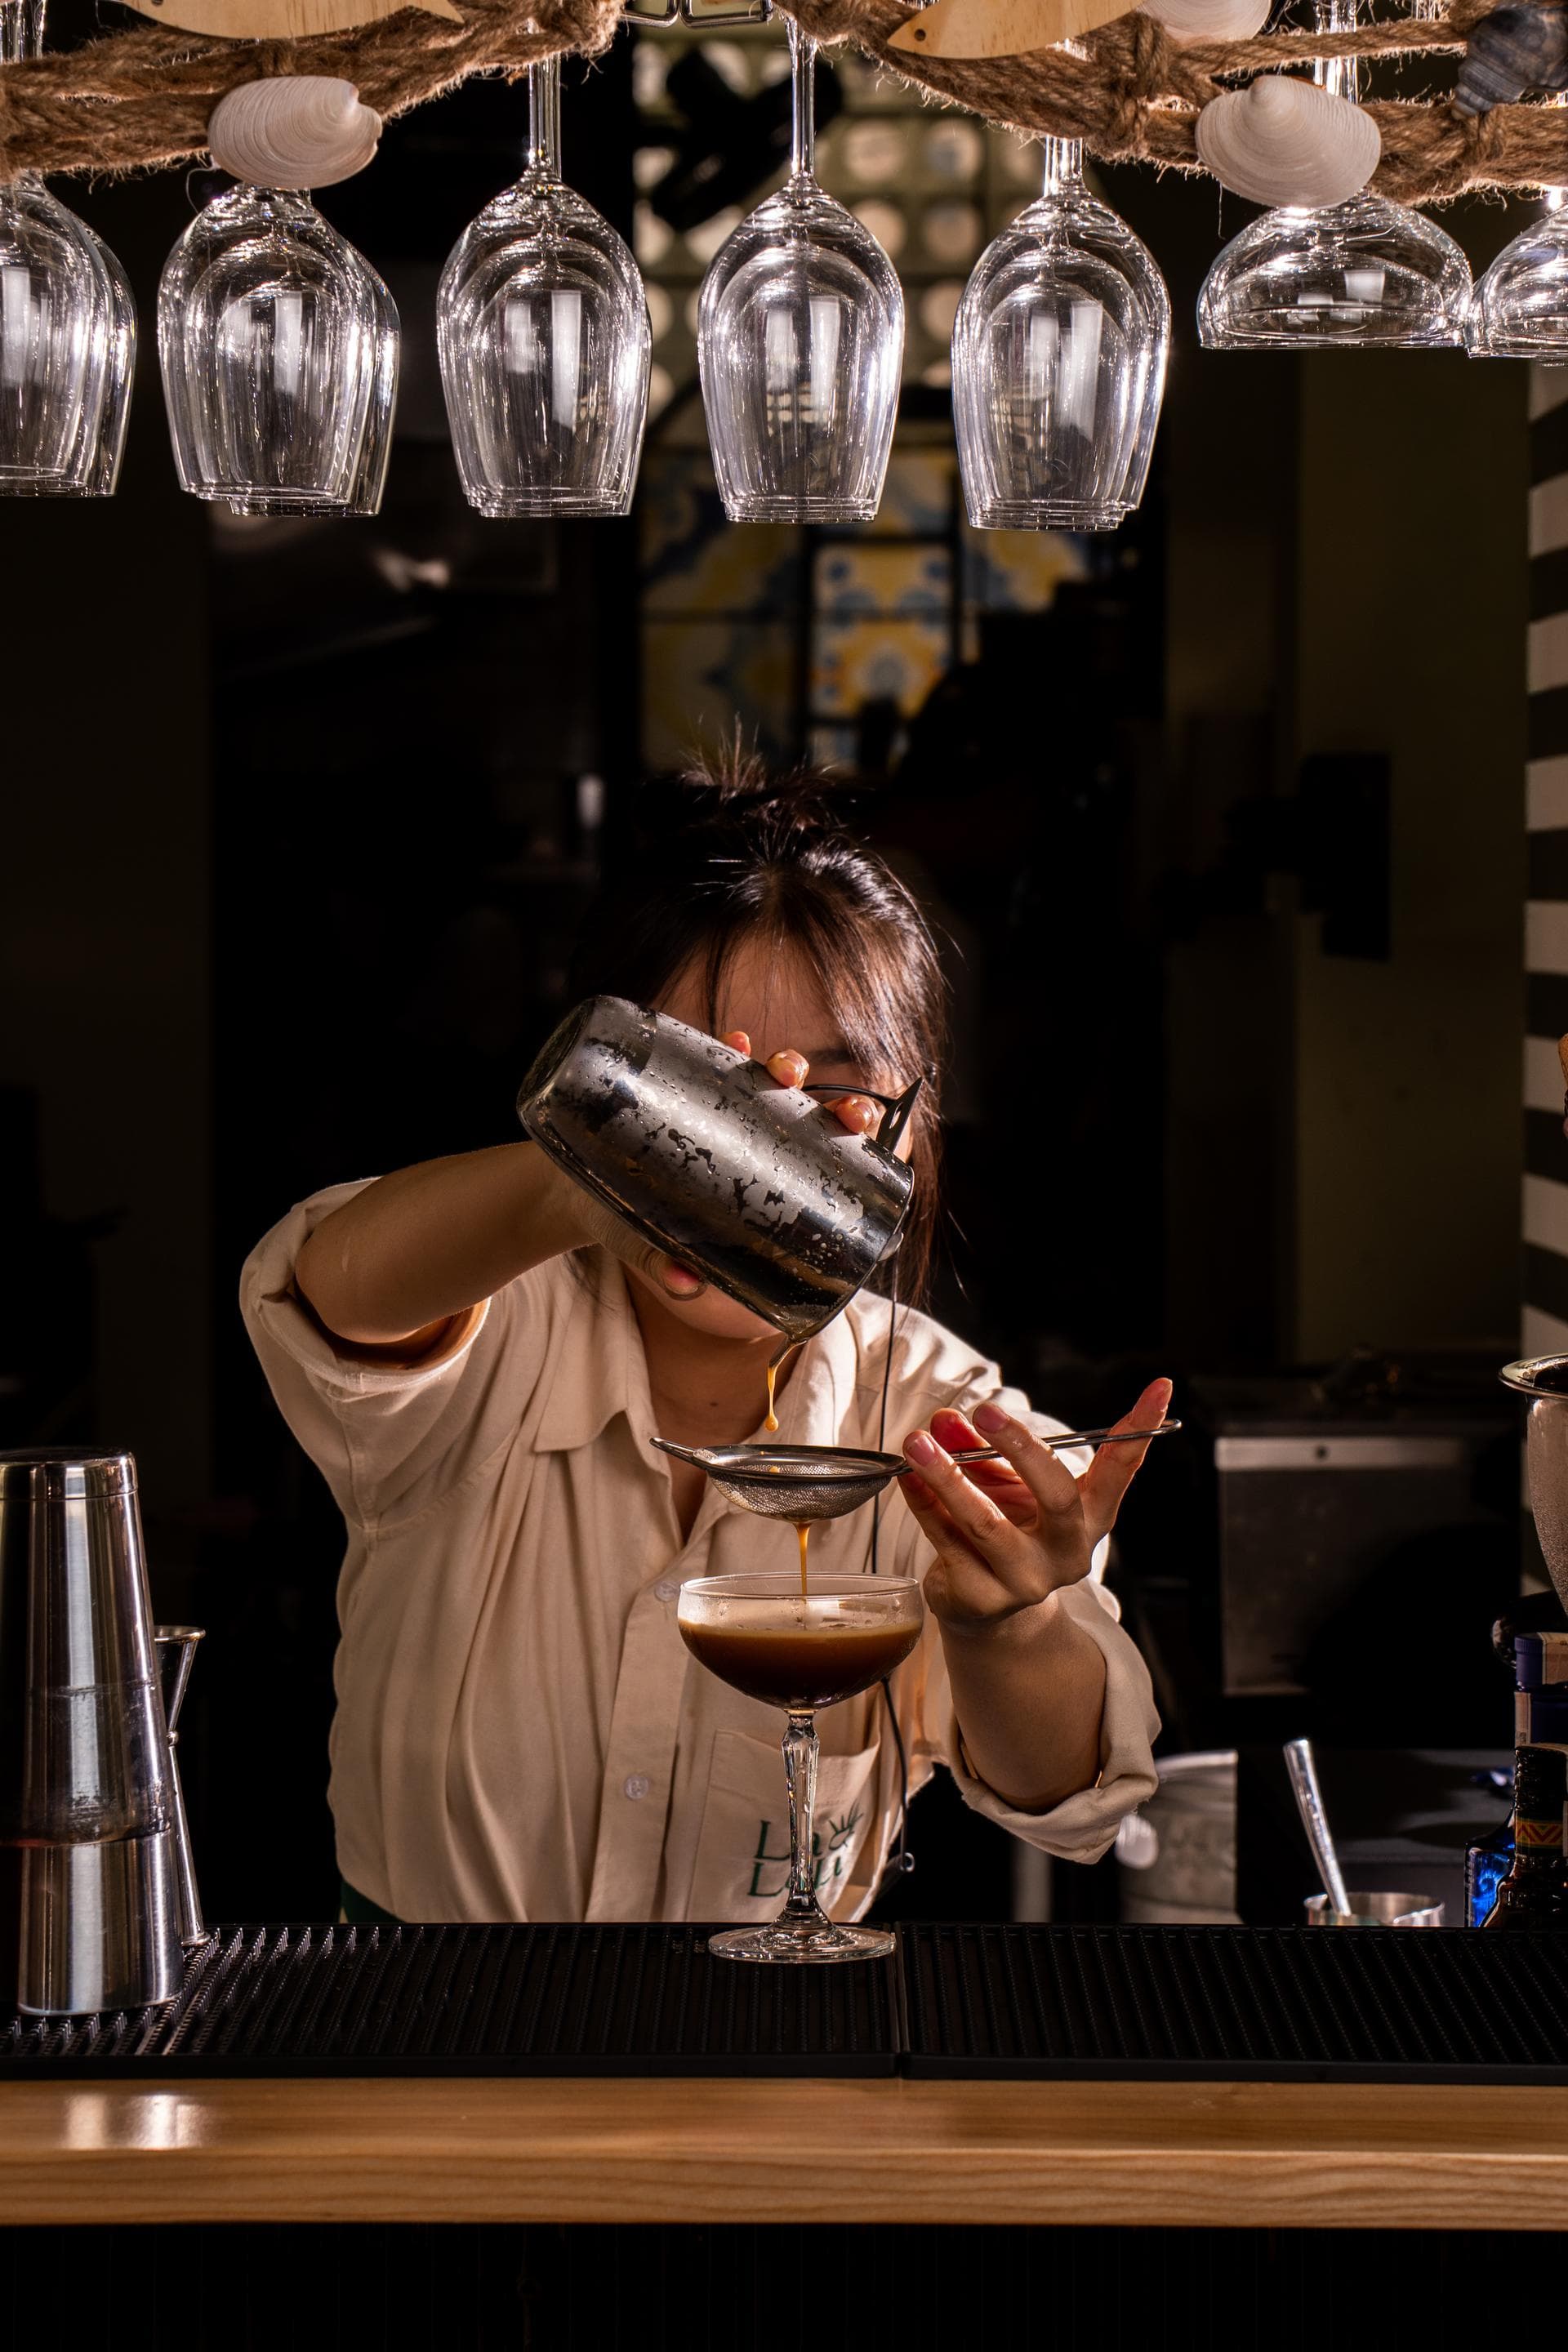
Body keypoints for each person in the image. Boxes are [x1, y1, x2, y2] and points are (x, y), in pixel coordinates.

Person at [241, 755, 1165, 1926]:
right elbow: (334, 1288)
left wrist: (1011, 1617)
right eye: (699, 1092)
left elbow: (1064, 1795)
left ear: (913, 1128)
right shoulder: (500, 1326)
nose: (745, 1161)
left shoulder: (938, 1413)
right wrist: (587, 1187)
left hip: (775, 2052)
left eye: (829, 1102)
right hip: (431, 2034)